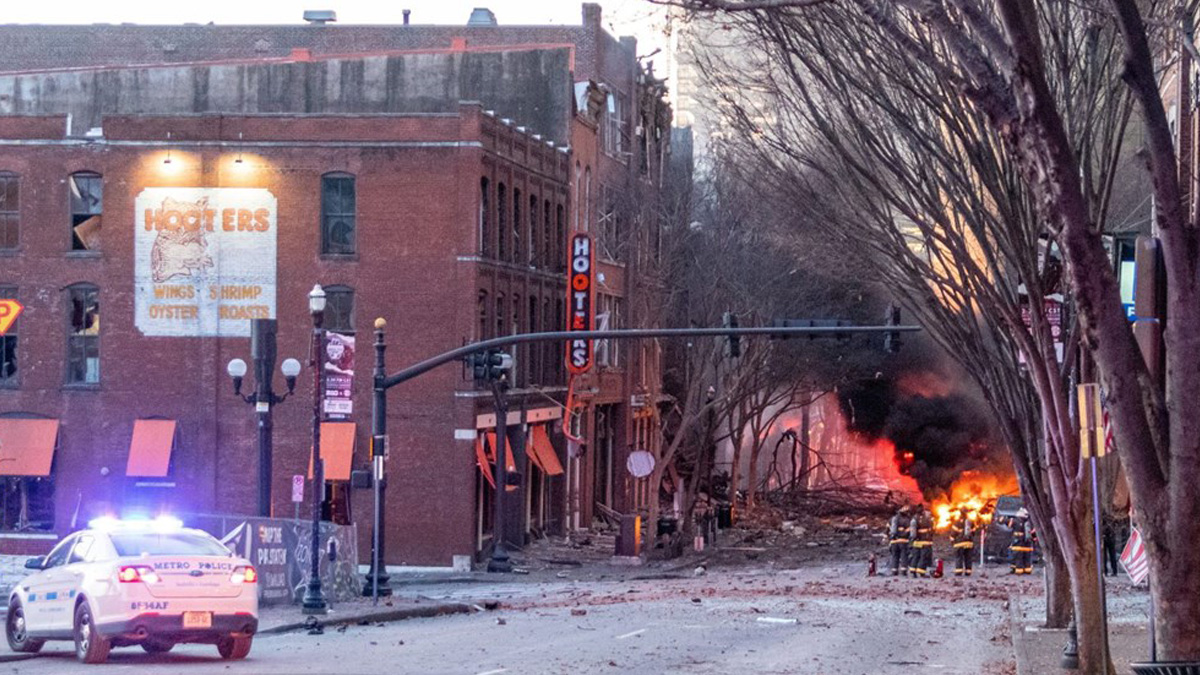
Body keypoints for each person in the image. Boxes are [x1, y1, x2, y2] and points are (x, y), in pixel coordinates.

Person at [908, 506, 934, 577]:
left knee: (915, 556)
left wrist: (913, 539)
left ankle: (913, 571)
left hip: (916, 542)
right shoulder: (927, 519)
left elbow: (913, 532)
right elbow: (932, 530)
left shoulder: (914, 518)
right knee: (924, 557)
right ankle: (921, 572)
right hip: (925, 542)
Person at [887, 506, 911, 576]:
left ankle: (894, 571)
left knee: (894, 556)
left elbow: (887, 530)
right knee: (904, 555)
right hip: (903, 541)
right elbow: (908, 531)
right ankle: (903, 571)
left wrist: (890, 538)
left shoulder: (891, 519)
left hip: (893, 542)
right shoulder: (906, 520)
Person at [951, 507, 975, 576]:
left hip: (959, 543)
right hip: (969, 543)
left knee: (959, 557)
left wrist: (952, 541)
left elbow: (953, 534)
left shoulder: (957, 522)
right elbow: (973, 532)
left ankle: (959, 572)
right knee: (968, 558)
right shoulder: (971, 522)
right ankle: (968, 572)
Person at [1010, 509, 1034, 575]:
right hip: (1028, 545)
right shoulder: (1030, 522)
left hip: (1018, 544)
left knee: (1018, 558)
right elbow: (1033, 533)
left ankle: (1018, 571)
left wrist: (1000, 519)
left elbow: (1008, 523)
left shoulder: (1016, 521)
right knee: (1027, 559)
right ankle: (1028, 570)